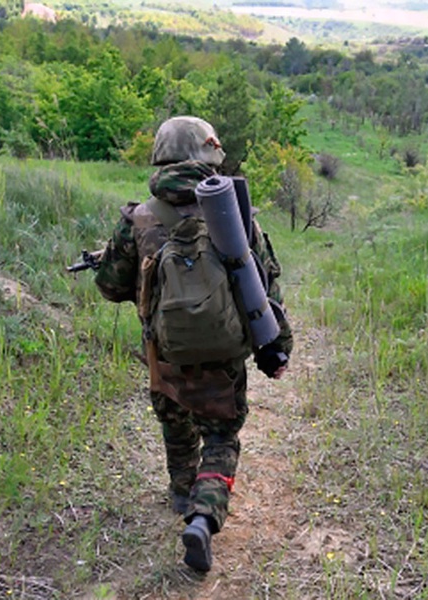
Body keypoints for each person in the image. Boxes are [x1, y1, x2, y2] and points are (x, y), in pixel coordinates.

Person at [93, 116, 293, 572]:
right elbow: (265, 286)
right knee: (221, 434)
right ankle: (204, 515)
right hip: (223, 357)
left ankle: (183, 491)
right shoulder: (233, 212)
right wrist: (278, 346)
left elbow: (110, 286)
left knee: (175, 424)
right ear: (208, 154)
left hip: (164, 354)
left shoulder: (139, 218)